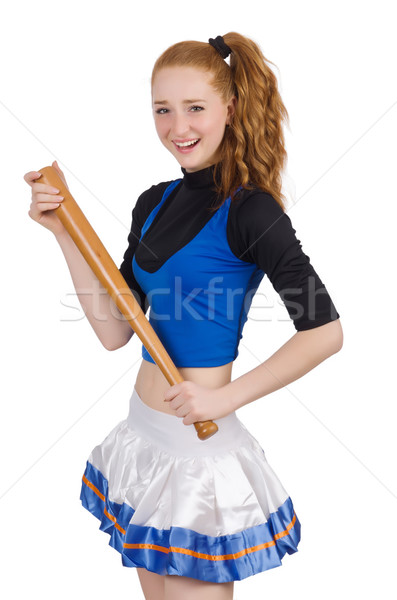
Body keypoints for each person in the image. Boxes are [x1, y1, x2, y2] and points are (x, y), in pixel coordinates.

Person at [24, 32, 343, 600]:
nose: (178, 127)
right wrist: (63, 232)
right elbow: (114, 331)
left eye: (195, 108)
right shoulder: (154, 201)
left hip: (198, 456)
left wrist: (224, 399)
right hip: (143, 437)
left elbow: (325, 332)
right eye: (162, 110)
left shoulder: (252, 210)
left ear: (231, 107)